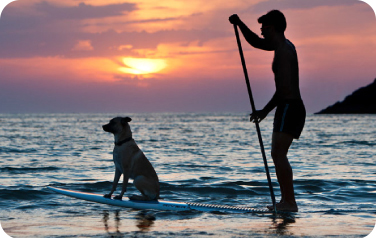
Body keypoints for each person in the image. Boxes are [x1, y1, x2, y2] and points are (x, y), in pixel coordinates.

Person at [229, 10, 305, 212]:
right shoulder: (281, 46)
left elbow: (284, 91)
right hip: (287, 107)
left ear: (272, 28)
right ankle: (286, 201)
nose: (261, 32)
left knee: (279, 154)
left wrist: (264, 111)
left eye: (263, 28)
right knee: (277, 154)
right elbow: (256, 42)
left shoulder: (284, 53)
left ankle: (289, 203)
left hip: (289, 107)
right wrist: (239, 24)